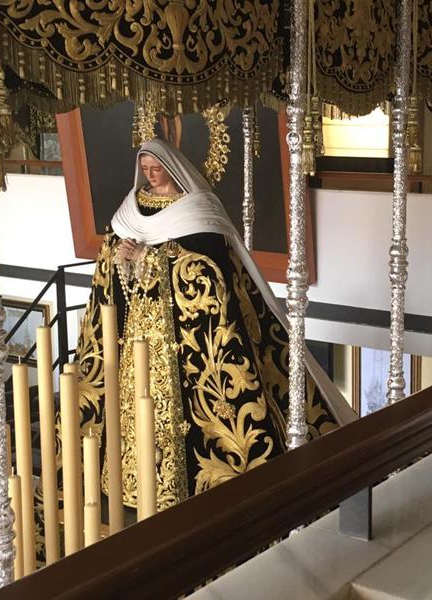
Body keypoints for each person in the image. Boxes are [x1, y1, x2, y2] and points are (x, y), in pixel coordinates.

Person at [72, 138, 354, 513]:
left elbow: (209, 270)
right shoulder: (130, 210)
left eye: (157, 169)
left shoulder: (197, 211)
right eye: (145, 168)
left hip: (183, 341)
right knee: (133, 406)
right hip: (138, 331)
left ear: (172, 168)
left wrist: (150, 259)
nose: (151, 175)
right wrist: (119, 255)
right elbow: (113, 260)